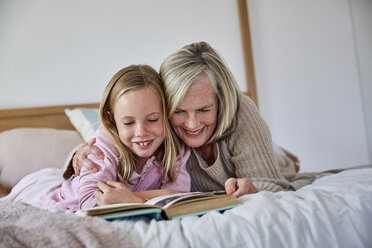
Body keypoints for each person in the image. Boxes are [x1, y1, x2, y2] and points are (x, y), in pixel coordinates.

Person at [66, 42, 298, 204]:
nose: (191, 123)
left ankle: (274, 149)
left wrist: (254, 188)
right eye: (178, 111)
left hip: (272, 166)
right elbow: (113, 137)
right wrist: (80, 153)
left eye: (204, 110)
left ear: (221, 101)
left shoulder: (240, 110)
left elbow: (274, 185)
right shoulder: (156, 126)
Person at [1, 65, 190, 210]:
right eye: (129, 123)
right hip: (62, 198)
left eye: (152, 119)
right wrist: (154, 197)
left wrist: (133, 199)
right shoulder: (103, 147)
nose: (141, 131)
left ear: (166, 114)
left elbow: (180, 198)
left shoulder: (175, 149)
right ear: (112, 119)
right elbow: (90, 203)